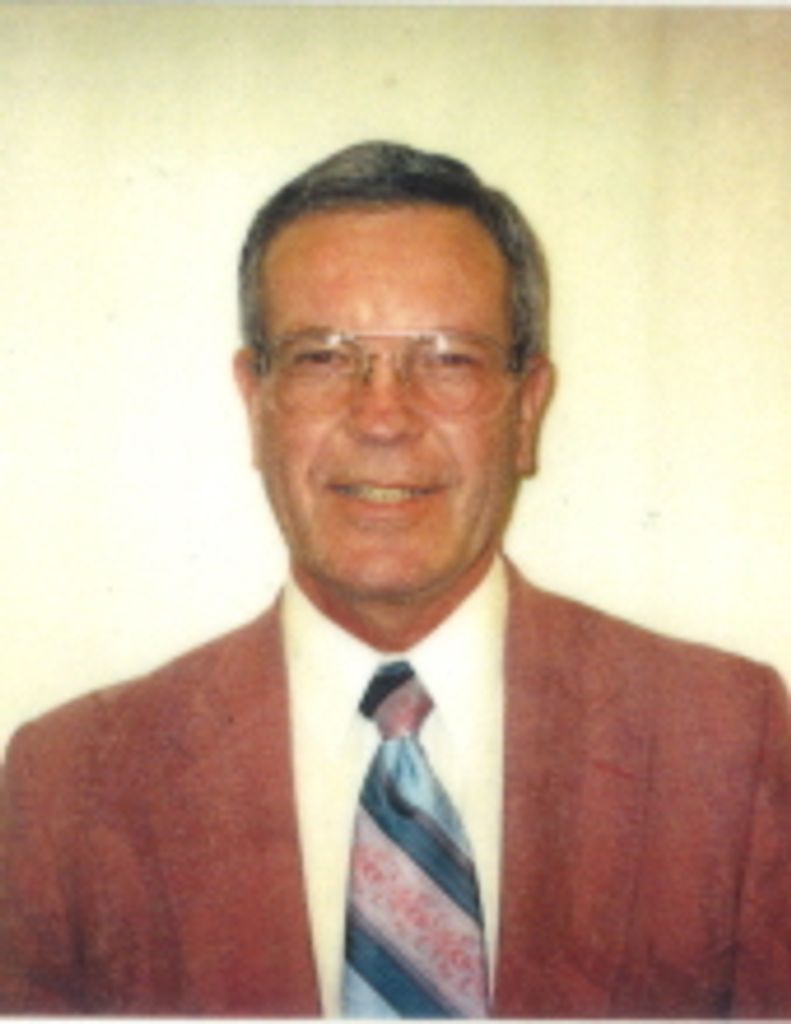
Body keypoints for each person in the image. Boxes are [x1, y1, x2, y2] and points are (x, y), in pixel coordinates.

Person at [1, 141, 789, 1018]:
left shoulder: (724, 745)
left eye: (447, 357)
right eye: (323, 357)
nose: (382, 416)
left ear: (526, 409)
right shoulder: (72, 785)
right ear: (255, 403)